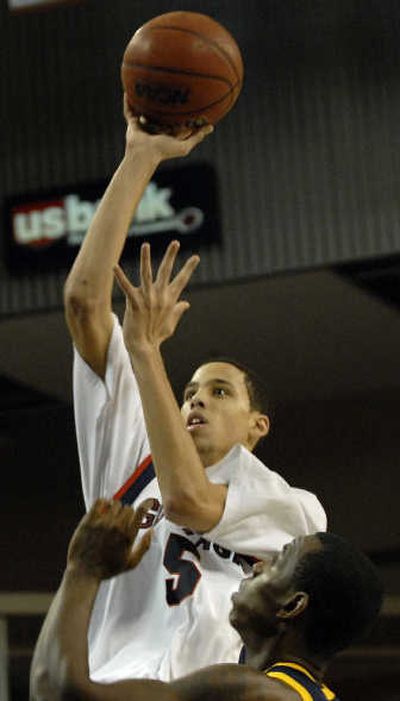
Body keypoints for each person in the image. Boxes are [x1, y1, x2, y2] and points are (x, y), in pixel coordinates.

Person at [63, 95, 327, 683]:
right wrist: (139, 158)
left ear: (259, 425)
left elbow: (189, 503)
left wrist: (147, 351)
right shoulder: (131, 458)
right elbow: (83, 302)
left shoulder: (295, 510)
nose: (195, 399)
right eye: (188, 390)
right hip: (114, 689)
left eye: (220, 391)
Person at [30, 498, 383, 701]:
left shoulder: (250, 692)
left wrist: (84, 568)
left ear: (292, 605)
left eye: (277, 561)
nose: (258, 566)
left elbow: (58, 692)